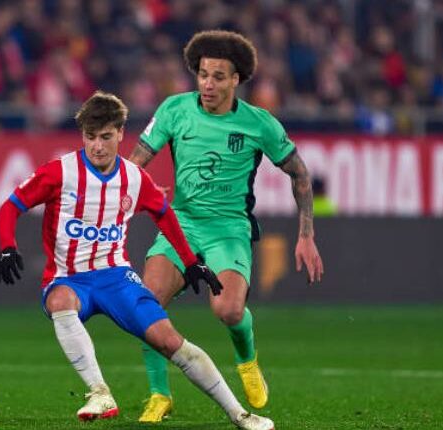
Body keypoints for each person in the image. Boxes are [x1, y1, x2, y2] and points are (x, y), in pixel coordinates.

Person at [0, 91, 275, 430]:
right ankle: (100, 393)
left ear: (120, 133)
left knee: (171, 342)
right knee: (60, 302)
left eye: (105, 137)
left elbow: (165, 215)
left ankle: (240, 414)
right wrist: (7, 246)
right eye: (90, 137)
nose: (97, 146)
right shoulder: (60, 172)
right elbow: (10, 207)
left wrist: (190, 262)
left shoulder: (134, 178)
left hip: (116, 278)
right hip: (69, 278)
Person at [128, 30, 324, 422]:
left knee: (229, 311)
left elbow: (300, 173)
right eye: (203, 74)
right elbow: (135, 163)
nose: (208, 84)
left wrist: (306, 235)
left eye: (218, 77)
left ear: (236, 79)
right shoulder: (174, 110)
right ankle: (159, 394)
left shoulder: (259, 123)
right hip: (181, 224)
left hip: (229, 228)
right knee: (145, 305)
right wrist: (137, 188)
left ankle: (247, 360)